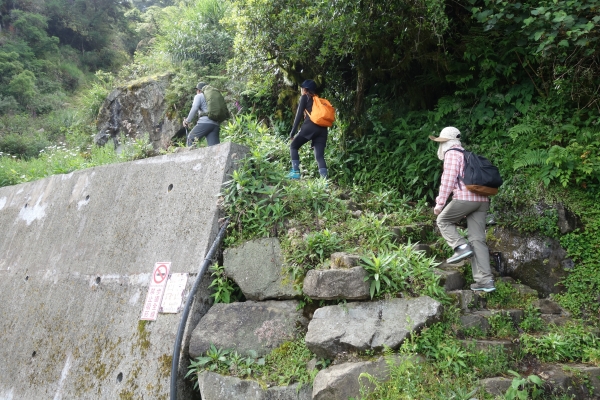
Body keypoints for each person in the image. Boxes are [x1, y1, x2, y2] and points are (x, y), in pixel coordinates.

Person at [430, 127, 495, 292]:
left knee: (442, 220)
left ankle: (460, 247)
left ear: (445, 142)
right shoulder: (467, 155)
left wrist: (439, 204)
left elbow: (448, 180)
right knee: (477, 239)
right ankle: (485, 281)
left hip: (466, 199)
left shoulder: (452, 154)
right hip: (482, 200)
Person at [287, 80, 328, 179]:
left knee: (293, 146)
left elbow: (298, 115)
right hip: (323, 130)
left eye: (302, 88)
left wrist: (292, 133)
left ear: (305, 90)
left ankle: (295, 173)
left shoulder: (305, 97)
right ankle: (325, 181)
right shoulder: (319, 101)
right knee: (319, 156)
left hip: (310, 127)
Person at [183, 82, 220, 147]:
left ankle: (192, 157)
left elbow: (194, 108)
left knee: (191, 139)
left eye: (197, 90)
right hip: (215, 124)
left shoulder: (199, 96)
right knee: (214, 147)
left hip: (205, 123)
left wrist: (187, 121)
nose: (196, 92)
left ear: (199, 90)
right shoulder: (212, 98)